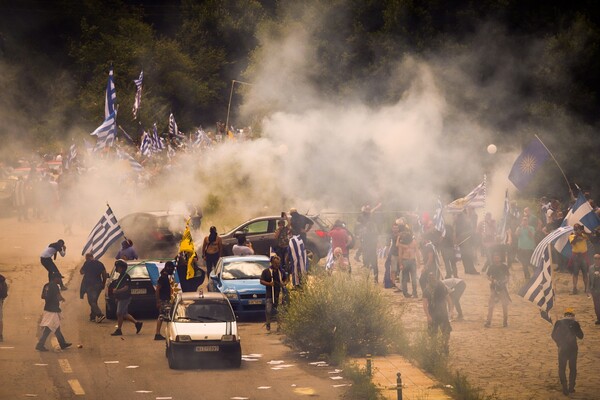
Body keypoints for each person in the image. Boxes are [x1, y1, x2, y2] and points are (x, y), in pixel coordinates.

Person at [36, 272, 72, 351]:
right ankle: (40, 344)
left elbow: (42, 296)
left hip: (47, 308)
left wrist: (48, 298)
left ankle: (62, 343)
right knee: (50, 327)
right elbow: (58, 296)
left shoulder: (46, 285)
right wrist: (62, 299)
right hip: (53, 309)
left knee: (56, 327)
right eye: (59, 278)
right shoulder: (55, 286)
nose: (60, 280)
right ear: (55, 278)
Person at [551, 308, 584, 395]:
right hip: (573, 348)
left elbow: (553, 335)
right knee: (572, 368)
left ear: (564, 315)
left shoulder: (558, 322)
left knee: (562, 368)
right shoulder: (575, 323)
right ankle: (571, 387)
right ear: (573, 316)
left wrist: (559, 343)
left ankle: (564, 387)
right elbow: (581, 336)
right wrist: (576, 327)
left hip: (562, 348)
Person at [109, 260, 143, 336]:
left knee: (119, 313)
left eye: (118, 267)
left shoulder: (126, 276)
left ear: (122, 268)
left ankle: (119, 330)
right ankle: (137, 323)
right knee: (124, 313)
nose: (117, 268)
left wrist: (117, 291)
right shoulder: (121, 276)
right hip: (121, 298)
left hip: (125, 298)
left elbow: (126, 288)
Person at [422, 272, 452, 352]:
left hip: (436, 313)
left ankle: (437, 348)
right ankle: (444, 346)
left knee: (435, 333)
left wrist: (428, 316)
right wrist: (450, 312)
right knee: (444, 331)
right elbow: (449, 300)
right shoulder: (441, 286)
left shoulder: (427, 290)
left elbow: (424, 305)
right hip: (441, 313)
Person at [79, 253, 108, 323]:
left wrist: (86, 270)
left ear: (88, 258)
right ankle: (92, 316)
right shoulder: (100, 264)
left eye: (86, 258)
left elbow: (81, 272)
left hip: (90, 285)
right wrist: (103, 283)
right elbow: (104, 274)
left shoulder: (87, 263)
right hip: (98, 285)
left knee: (91, 301)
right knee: (94, 301)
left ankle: (100, 315)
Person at [260, 255, 285, 332]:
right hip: (270, 294)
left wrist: (283, 284)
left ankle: (279, 326)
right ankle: (268, 323)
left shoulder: (281, 271)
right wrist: (269, 284)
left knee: (279, 310)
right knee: (268, 310)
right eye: (275, 263)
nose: (277, 265)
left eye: (278, 263)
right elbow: (261, 281)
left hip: (279, 294)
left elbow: (286, 280)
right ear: (272, 263)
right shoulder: (266, 272)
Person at [484, 252, 510, 328]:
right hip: (493, 287)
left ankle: (505, 322)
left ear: (500, 258)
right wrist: (493, 280)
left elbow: (507, 277)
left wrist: (504, 281)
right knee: (491, 305)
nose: (496, 259)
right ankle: (488, 321)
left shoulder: (504, 267)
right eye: (495, 258)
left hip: (502, 288)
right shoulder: (491, 266)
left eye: (497, 258)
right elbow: (488, 276)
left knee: (504, 305)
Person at [154, 262, 175, 340]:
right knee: (162, 316)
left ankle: (159, 333)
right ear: (168, 268)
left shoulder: (165, 277)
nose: (172, 271)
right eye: (172, 268)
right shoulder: (163, 278)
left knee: (164, 316)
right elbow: (157, 290)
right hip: (163, 300)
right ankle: (158, 333)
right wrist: (158, 301)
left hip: (165, 299)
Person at [398, 231, 420, 298]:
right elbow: (417, 253)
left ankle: (406, 293)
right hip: (411, 261)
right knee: (413, 278)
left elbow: (400, 255)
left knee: (405, 278)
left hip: (406, 261)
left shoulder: (402, 243)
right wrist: (418, 262)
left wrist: (400, 264)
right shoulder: (414, 242)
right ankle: (414, 293)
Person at [569, 223, 589, 294]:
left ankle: (586, 289)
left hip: (583, 256)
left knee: (585, 273)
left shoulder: (584, 235)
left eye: (579, 228)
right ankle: (574, 288)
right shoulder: (572, 235)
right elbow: (573, 243)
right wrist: (577, 235)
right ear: (575, 229)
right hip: (576, 257)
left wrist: (582, 233)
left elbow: (588, 237)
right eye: (577, 229)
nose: (578, 230)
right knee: (575, 273)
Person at [587, 254, 600, 324]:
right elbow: (589, 279)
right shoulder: (591, 268)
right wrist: (588, 289)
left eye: (598, 258)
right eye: (595, 258)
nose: (597, 260)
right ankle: (599, 318)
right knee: (596, 306)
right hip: (594, 290)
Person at [0, 273, 7, 341]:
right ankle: (0, 335)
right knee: (0, 319)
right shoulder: (2, 279)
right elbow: (4, 293)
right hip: (0, 299)